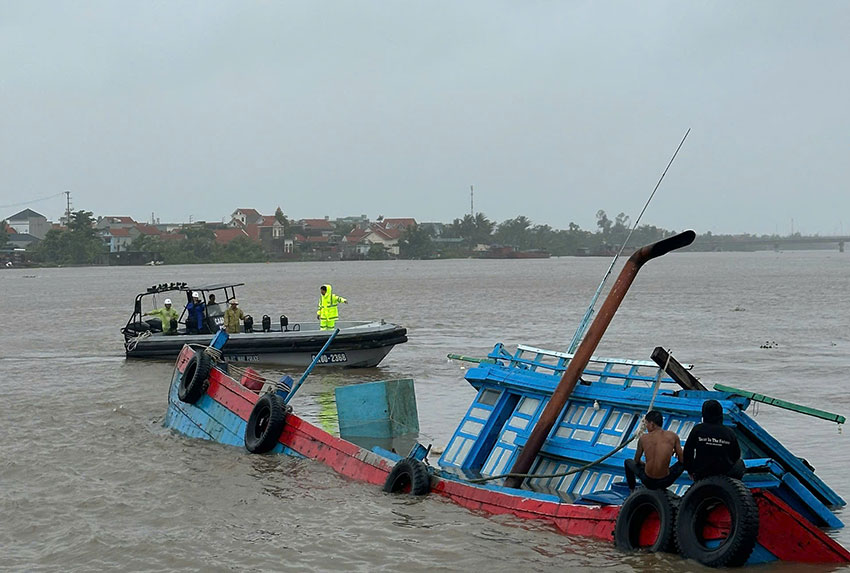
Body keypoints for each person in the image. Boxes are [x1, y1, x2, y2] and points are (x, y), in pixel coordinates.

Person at [683, 399, 745, 481]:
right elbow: (736, 455)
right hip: (725, 474)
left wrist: (690, 470)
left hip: (701, 473)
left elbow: (688, 451)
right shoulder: (729, 432)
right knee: (740, 463)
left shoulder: (698, 429)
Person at [624, 410, 685, 491]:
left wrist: (645, 464)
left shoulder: (643, 438)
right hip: (665, 481)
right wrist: (673, 452)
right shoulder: (673, 436)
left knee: (628, 462)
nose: (646, 427)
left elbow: (636, 461)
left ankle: (632, 489)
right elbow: (682, 460)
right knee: (686, 462)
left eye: (646, 424)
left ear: (652, 424)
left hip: (648, 481)